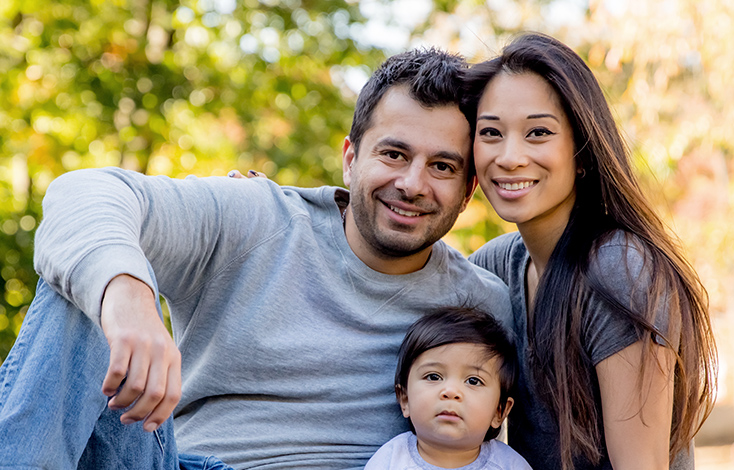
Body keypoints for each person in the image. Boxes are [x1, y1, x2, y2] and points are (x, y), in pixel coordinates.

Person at [0, 49, 514, 469]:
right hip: (186, 461)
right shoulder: (257, 218)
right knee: (87, 279)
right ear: (351, 157)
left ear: (469, 189)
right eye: (394, 154)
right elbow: (83, 193)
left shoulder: (480, 304)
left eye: (442, 166)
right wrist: (128, 295)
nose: (411, 184)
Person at [463, 33, 717, 470]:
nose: (509, 156)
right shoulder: (498, 264)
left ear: (581, 153)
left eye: (538, 132)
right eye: (490, 132)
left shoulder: (618, 269)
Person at [364, 306, 531, 470]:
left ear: (499, 411)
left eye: (473, 381)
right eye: (433, 377)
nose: (451, 391)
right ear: (405, 399)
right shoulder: (390, 460)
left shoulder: (511, 465)